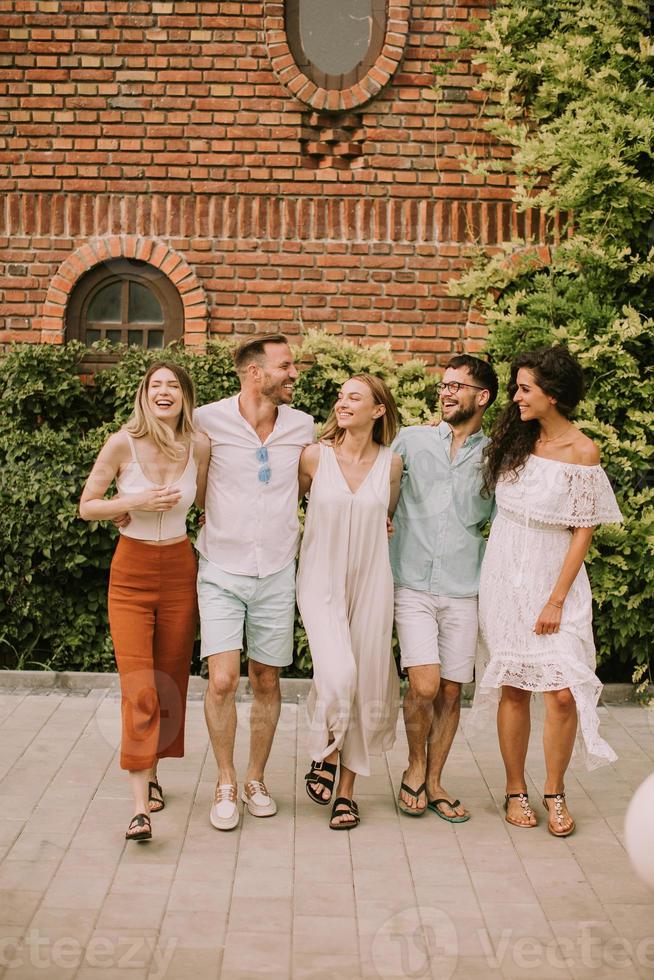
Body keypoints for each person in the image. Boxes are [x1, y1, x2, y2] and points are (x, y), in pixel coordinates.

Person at [467, 346, 622, 837]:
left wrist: (556, 598)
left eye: (525, 388)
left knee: (561, 693)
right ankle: (515, 789)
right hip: (505, 570)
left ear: (552, 394)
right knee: (513, 686)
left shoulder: (583, 452)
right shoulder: (515, 440)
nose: (515, 398)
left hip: (555, 578)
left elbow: (583, 530)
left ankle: (554, 791)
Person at [80, 362, 210, 842]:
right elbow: (88, 505)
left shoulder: (199, 446)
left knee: (170, 678)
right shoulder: (122, 443)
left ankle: (153, 772)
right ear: (144, 395)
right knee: (140, 686)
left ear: (184, 396)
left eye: (173, 385)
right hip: (131, 573)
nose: (164, 391)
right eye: (155, 385)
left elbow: (209, 505)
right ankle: (139, 809)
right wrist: (129, 504)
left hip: (179, 570)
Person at [196, 334, 315, 831]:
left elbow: (312, 488)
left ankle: (255, 778)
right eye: (286, 366)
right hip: (221, 567)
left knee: (267, 680)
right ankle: (224, 780)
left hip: (276, 571)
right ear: (254, 372)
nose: (294, 374)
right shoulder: (207, 420)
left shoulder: (303, 426)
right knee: (222, 679)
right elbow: (189, 479)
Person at [391, 354, 498, 821]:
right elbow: (374, 484)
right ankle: (414, 766)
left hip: (463, 586)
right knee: (425, 684)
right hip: (411, 583)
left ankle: (434, 780)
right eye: (444, 385)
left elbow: (501, 520)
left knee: (452, 692)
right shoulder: (410, 441)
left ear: (483, 397)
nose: (447, 392)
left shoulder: (497, 455)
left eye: (458, 385)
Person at [298, 375, 403, 830]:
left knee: (367, 681)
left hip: (371, 581)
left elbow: (386, 517)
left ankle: (346, 792)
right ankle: (326, 748)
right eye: (340, 397)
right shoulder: (314, 456)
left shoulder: (392, 464)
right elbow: (287, 504)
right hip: (320, 580)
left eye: (354, 397)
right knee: (339, 672)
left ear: (378, 410)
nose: (342, 403)